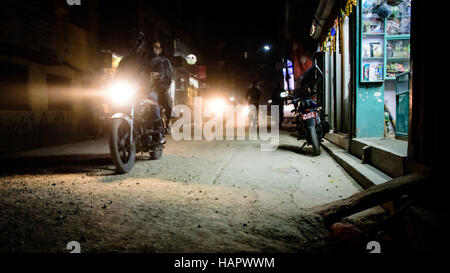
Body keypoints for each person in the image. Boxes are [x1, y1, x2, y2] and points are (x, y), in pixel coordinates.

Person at [147, 40, 175, 135]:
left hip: (160, 88)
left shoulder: (165, 61)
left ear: (160, 50)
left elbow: (169, 76)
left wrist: (159, 79)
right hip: (145, 88)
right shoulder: (144, 61)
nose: (154, 49)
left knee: (168, 104)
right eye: (153, 48)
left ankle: (167, 124)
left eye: (157, 47)